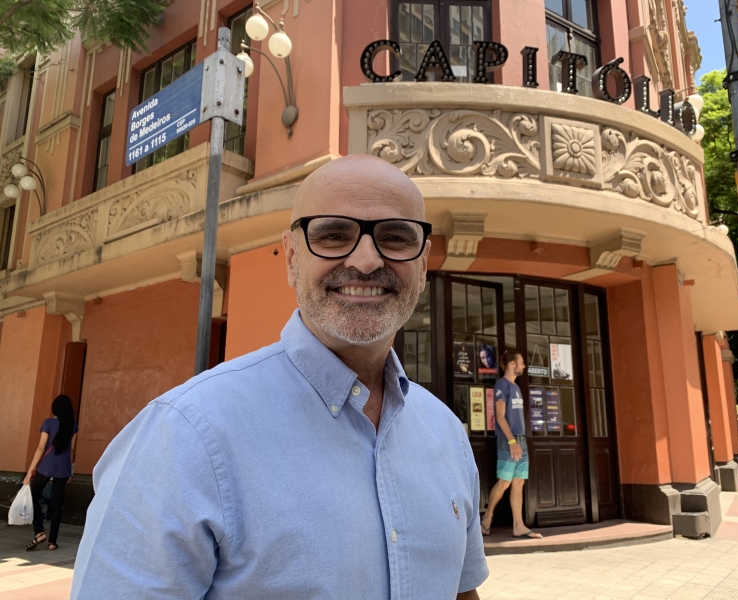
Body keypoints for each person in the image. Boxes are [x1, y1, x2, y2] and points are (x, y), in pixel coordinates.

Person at [71, 155, 488, 600]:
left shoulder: (446, 432)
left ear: (422, 265)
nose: (366, 261)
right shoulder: (184, 434)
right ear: (291, 256)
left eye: (395, 237)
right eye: (333, 234)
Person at [480, 351, 542, 540]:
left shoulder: (516, 387)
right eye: (521, 363)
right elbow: (500, 416)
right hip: (509, 441)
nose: (524, 366)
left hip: (520, 439)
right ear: (512, 364)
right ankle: (486, 520)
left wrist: (519, 442)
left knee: (518, 482)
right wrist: (512, 442)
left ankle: (519, 525)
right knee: (505, 482)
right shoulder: (502, 385)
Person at [23, 394, 78, 552]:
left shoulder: (48, 423)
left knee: (34, 493)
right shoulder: (72, 425)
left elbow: (41, 448)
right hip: (62, 468)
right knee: (56, 504)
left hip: (46, 466)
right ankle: (52, 542)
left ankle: (39, 531)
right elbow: (71, 449)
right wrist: (69, 471)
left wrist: (29, 472)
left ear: (55, 408)